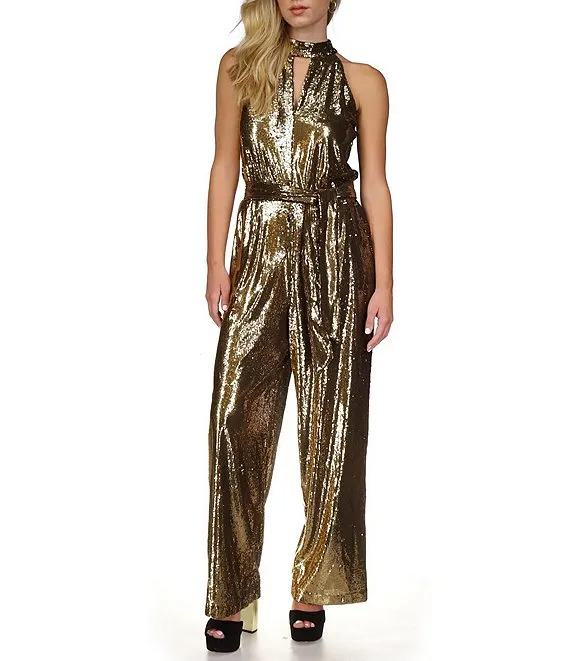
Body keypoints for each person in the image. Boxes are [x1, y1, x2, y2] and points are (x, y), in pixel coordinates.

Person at [203, 0, 393, 652]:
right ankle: (232, 590)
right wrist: (215, 262)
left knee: (332, 424)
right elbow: (224, 164)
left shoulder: (364, 81)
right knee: (234, 420)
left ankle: (313, 585)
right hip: (261, 247)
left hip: (338, 253)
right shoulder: (239, 67)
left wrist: (385, 283)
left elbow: (375, 185)